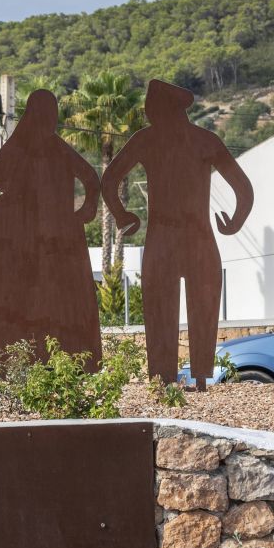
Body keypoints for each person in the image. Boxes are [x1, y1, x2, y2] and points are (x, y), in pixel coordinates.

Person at [102, 81, 253, 392]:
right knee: (180, 308)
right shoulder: (202, 140)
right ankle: (182, 379)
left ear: (162, 108)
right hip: (190, 237)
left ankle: (173, 379)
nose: (146, 110)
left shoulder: (149, 139)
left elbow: (110, 180)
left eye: (150, 105)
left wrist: (123, 215)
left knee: (186, 308)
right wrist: (234, 221)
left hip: (171, 238)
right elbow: (243, 188)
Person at [0, 89, 104, 373]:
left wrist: (88, 207)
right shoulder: (21, 146)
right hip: (26, 241)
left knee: (56, 298)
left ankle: (66, 358)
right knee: (26, 298)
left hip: (57, 239)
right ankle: (13, 356)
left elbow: (91, 178)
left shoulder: (56, 147)